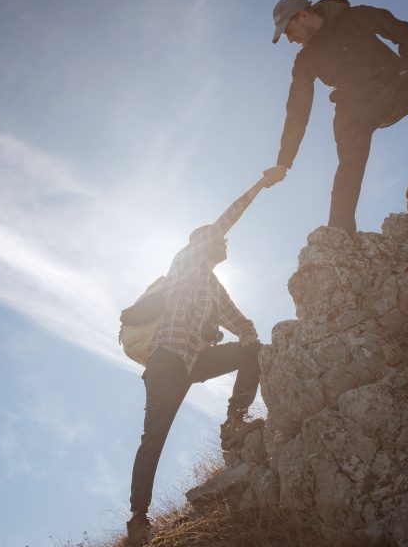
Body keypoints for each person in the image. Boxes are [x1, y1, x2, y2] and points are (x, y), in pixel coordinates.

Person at [125, 169, 280, 545]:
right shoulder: (187, 262)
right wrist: (259, 184)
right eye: (220, 239)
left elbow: (239, 318)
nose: (225, 242)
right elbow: (227, 217)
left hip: (194, 361)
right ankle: (138, 520)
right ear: (204, 243)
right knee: (155, 436)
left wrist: (246, 332)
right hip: (166, 361)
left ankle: (234, 419)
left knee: (254, 352)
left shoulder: (213, 286)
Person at [263, 0, 408, 236]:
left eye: (288, 30)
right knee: (349, 163)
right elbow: (297, 110)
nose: (289, 39)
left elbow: (403, 31)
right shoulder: (305, 60)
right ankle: (340, 232)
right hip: (353, 111)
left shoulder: (357, 16)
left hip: (390, 93)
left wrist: (406, 66)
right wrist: (284, 161)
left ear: (303, 15)